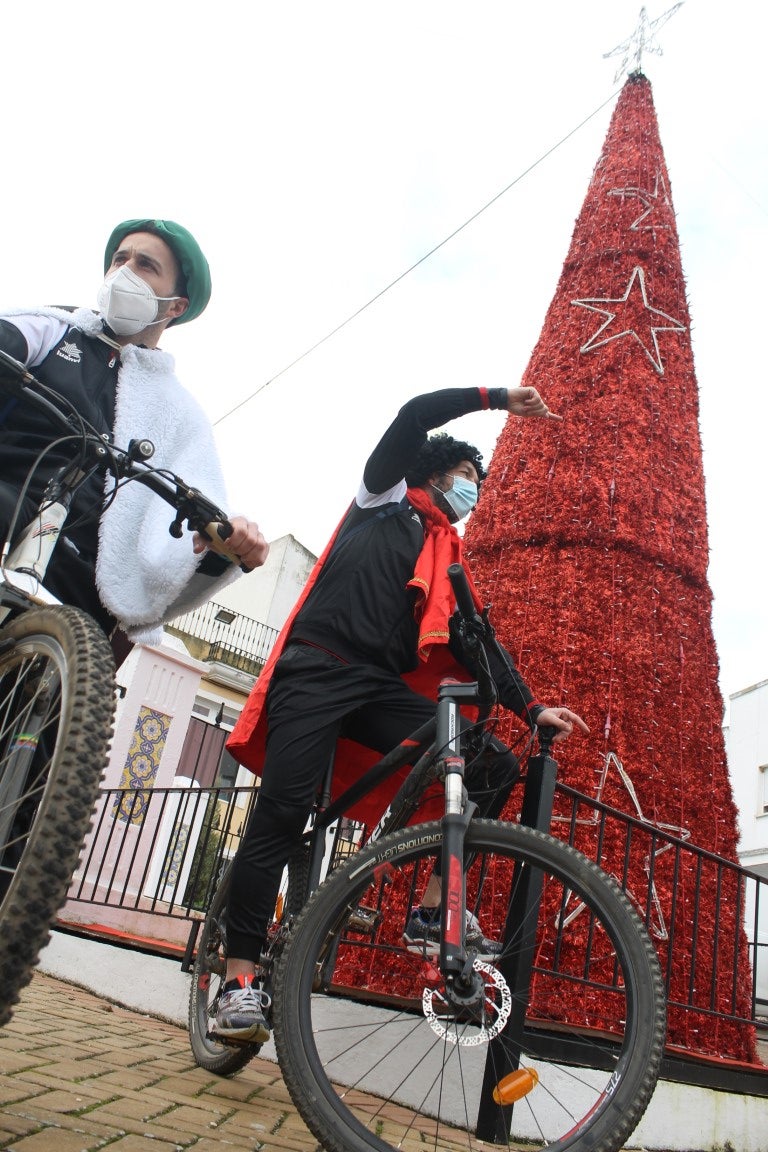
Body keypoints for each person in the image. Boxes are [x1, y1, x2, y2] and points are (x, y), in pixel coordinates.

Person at [220, 385, 589, 1043]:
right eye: (467, 476)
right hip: (313, 668)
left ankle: (429, 912)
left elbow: (479, 640)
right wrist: (497, 397)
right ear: (432, 470)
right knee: (282, 811)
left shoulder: (447, 555)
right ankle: (239, 981)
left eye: (478, 482)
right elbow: (414, 413)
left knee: (490, 762)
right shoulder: (381, 499)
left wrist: (532, 708)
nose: (472, 490)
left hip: (370, 688)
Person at [0, 218, 268, 652]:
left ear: (175, 306)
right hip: (12, 493)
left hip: (82, 558)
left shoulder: (178, 411)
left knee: (96, 640)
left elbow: (203, 505)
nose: (124, 271)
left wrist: (233, 537)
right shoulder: (54, 327)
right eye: (119, 259)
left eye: (145, 265)